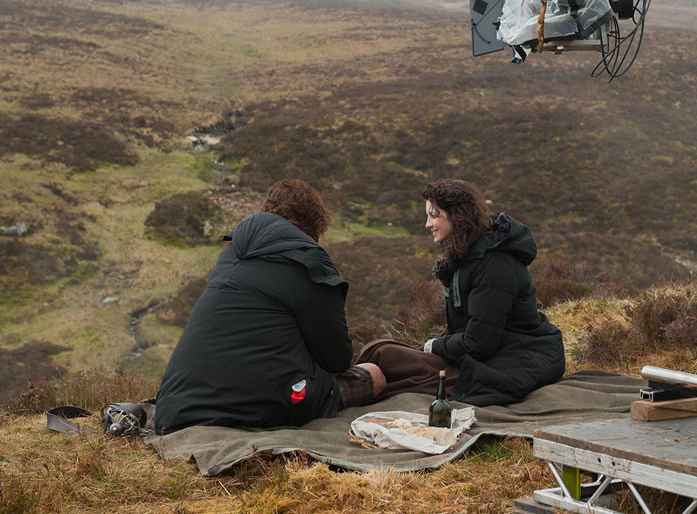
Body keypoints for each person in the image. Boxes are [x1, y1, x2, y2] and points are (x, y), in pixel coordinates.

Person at [154, 179, 384, 434]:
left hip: (173, 409)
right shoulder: (310, 266)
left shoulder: (233, 252)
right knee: (374, 374)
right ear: (316, 222)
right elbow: (337, 359)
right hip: (247, 407)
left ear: (268, 209)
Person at [358, 179, 565, 406]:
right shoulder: (466, 256)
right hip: (485, 355)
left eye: (434, 215)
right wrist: (435, 347)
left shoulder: (494, 264)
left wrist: (433, 346)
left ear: (457, 216)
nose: (427, 224)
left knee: (388, 363)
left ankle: (346, 393)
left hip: (519, 359)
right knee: (379, 353)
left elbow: (480, 342)